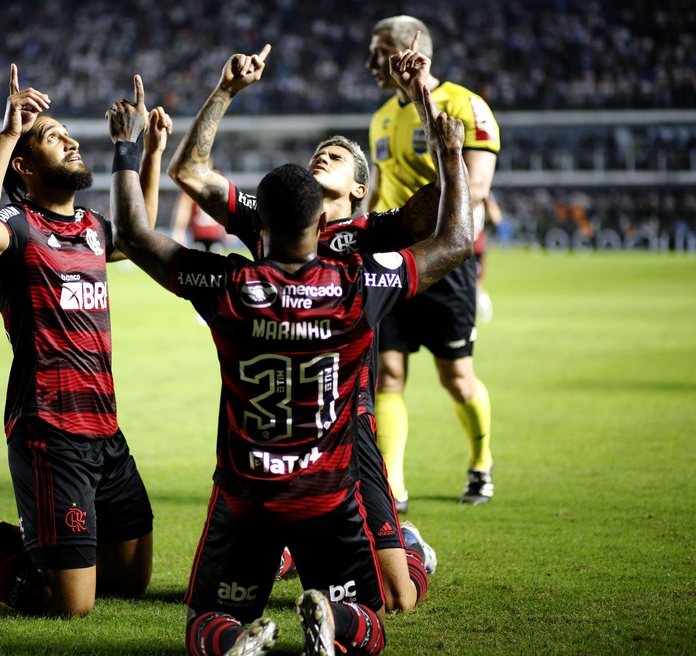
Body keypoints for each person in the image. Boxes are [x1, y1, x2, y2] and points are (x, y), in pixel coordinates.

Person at [107, 45, 471, 655]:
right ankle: (296, 568)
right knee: (370, 603)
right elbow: (192, 174)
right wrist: (224, 89)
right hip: (310, 456)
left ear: (359, 189)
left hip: (342, 432)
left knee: (399, 592)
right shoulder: (359, 277)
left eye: (332, 157)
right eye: (312, 157)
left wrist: (424, 104)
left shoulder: (364, 235)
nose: (317, 158)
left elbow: (140, 236)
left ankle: (389, 547)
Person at [0, 63, 170, 618]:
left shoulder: (93, 228)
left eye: (70, 134)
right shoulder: (17, 224)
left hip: (105, 428)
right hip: (50, 430)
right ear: (24, 166)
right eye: (54, 137)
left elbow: (140, 235)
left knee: (128, 581)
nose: (71, 139)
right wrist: (6, 134)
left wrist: (148, 153)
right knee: (68, 605)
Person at [366, 17, 501, 510]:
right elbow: (378, 193)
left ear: (407, 50)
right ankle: (394, 485)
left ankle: (481, 463)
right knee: (388, 372)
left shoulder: (465, 106)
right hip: (391, 260)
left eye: (378, 52)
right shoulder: (380, 116)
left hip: (444, 259)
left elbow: (478, 187)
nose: (368, 63)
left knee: (456, 375)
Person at [474, 191, 503, 323]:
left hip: (460, 244)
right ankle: (484, 313)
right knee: (477, 282)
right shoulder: (484, 191)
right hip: (476, 243)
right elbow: (496, 218)